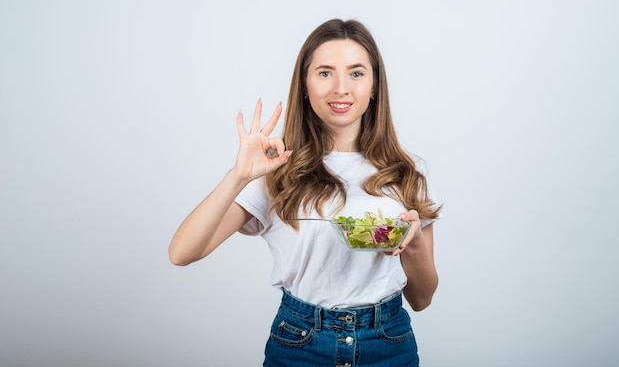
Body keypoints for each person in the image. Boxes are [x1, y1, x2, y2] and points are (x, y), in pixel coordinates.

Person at [168, 18, 442, 367]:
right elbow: (181, 253)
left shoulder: (407, 172)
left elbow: (422, 299)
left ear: (374, 85)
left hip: (387, 343)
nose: (341, 88)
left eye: (356, 73)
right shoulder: (277, 168)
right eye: (325, 73)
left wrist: (413, 241)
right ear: (304, 85)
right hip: (301, 344)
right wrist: (237, 176)